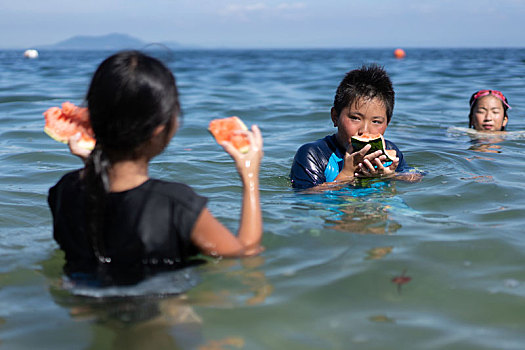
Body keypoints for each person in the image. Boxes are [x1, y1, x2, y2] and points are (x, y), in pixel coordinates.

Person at [48, 51, 264, 286]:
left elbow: (109, 211)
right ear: (159, 130)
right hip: (160, 315)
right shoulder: (176, 203)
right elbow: (244, 253)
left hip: (83, 307)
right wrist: (249, 175)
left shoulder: (63, 192)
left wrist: (91, 162)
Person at [290, 64, 412, 190]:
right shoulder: (313, 155)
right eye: (355, 118)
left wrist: (391, 175)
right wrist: (347, 174)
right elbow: (306, 196)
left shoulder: (390, 151)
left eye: (376, 121)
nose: (364, 130)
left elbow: (416, 177)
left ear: (387, 123)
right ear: (335, 117)